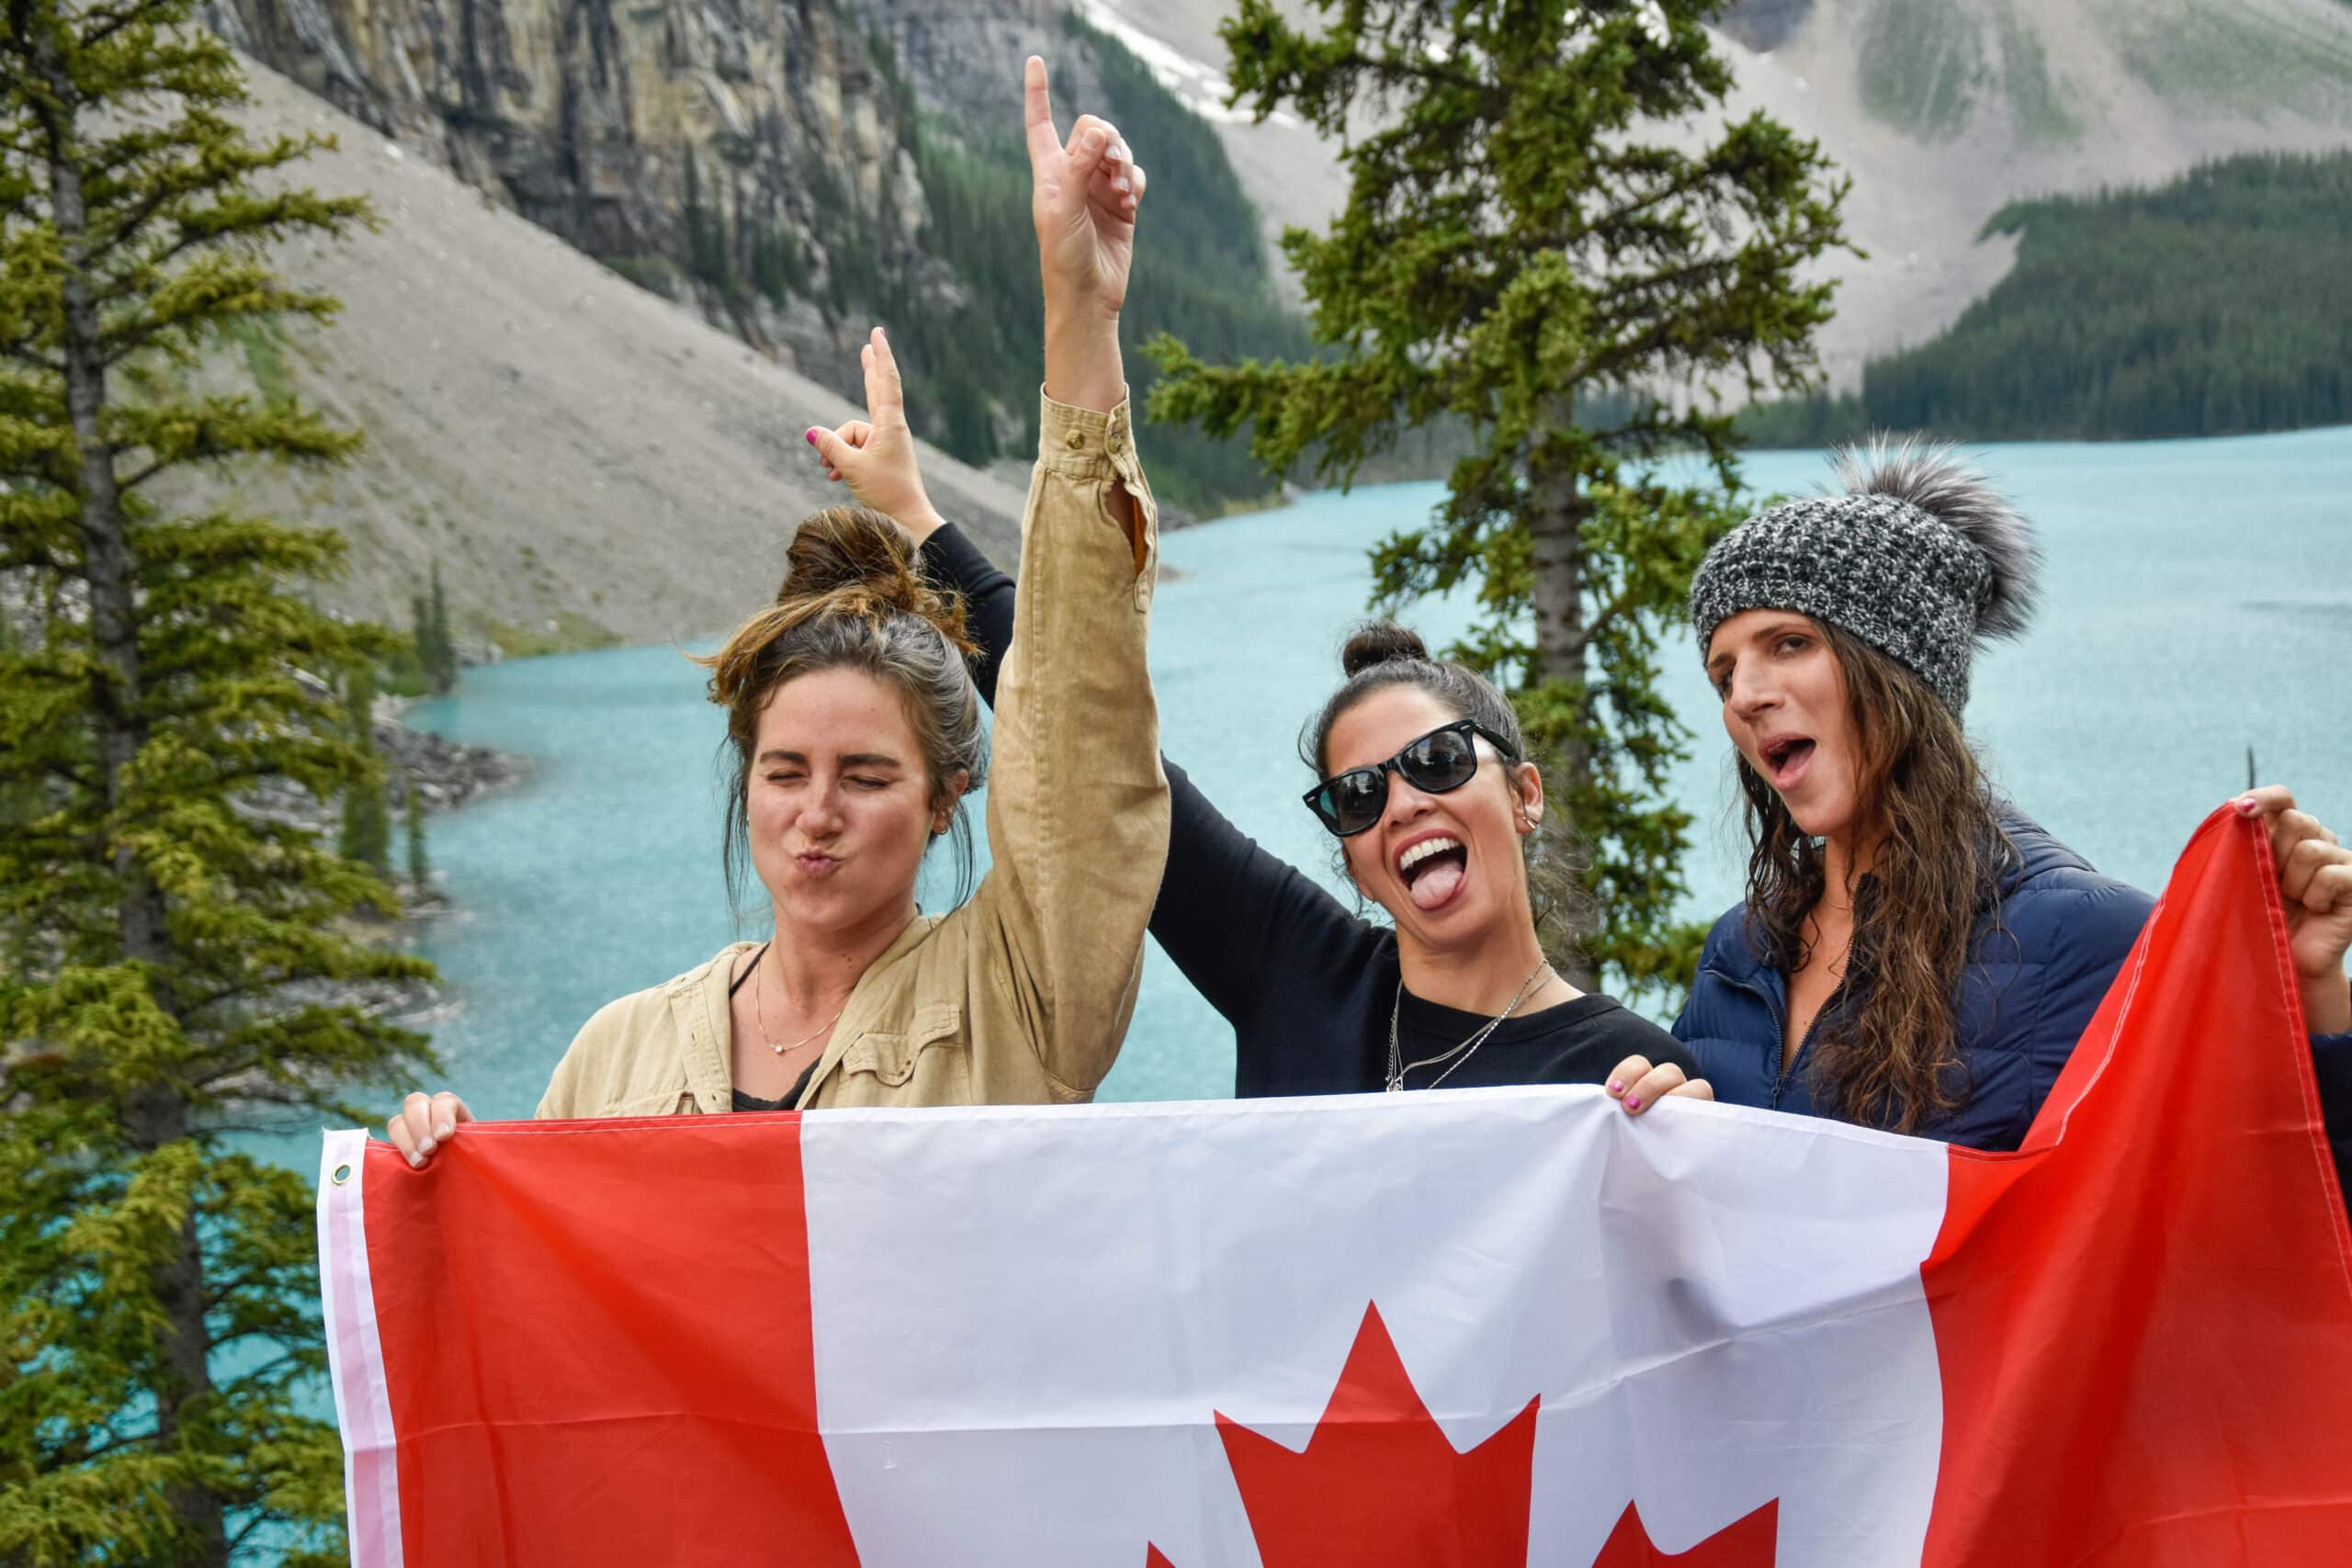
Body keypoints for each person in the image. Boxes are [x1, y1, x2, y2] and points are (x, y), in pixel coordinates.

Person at [388, 58, 1168, 1163]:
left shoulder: (1019, 997)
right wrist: (446, 1170)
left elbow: (1081, 717)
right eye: (786, 771)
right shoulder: (617, 1056)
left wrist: (1077, 312)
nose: (816, 814)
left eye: (866, 776)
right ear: (747, 778)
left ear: (948, 799)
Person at [804, 380, 1699, 1100]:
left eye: (1437, 761)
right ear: (1352, 858)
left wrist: (1689, 1159)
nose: (1405, 803)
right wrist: (916, 519)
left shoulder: (1629, 1076)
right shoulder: (1297, 972)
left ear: (1524, 793)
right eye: (1359, 796)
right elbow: (1097, 751)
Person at [1602, 439, 2352, 1190]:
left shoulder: (2084, 937)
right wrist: (1660, 1130)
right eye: (1724, 672)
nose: (1743, 696)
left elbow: (2258, 1207)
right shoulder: (1740, 952)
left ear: (1901, 670)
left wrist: (2313, 997)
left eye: (1789, 643)